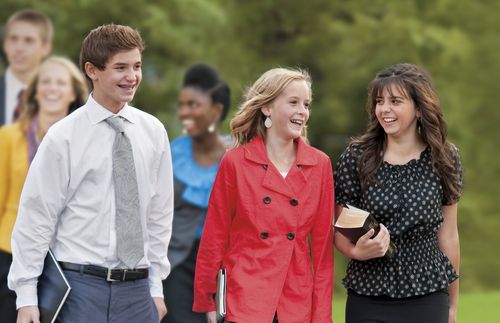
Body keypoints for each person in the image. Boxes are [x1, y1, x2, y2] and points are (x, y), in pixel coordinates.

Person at [8, 24, 174, 323]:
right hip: (78, 290)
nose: (132, 76)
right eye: (120, 67)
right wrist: (26, 296)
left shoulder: (154, 132)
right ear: (92, 70)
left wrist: (156, 287)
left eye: (137, 66)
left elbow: (159, 215)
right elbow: (36, 218)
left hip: (138, 293)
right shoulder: (64, 137)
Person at [193, 67, 335, 323]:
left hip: (296, 300)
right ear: (267, 108)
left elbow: (323, 251)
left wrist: (322, 315)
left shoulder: (320, 165)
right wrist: (207, 298)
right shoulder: (235, 162)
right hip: (244, 296)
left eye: (306, 104)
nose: (302, 111)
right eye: (293, 102)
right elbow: (215, 235)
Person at [334, 63, 463, 323]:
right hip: (368, 295)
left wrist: (452, 305)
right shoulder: (356, 158)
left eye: (395, 101)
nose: (384, 109)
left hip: (428, 293)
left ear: (418, 108)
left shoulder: (444, 158)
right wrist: (358, 252)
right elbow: (339, 231)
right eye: (379, 101)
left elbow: (448, 234)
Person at [0, 55, 86, 323]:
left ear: (73, 92)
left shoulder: (85, 140)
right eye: (46, 82)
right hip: (11, 256)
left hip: (67, 261)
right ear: (35, 90)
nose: (52, 88)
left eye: (61, 83)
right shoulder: (7, 138)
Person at [161, 63, 231, 323]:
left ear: (216, 110)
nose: (184, 113)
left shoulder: (236, 156)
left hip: (224, 266)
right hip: (178, 263)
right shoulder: (171, 153)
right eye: (182, 105)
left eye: (193, 105)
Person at [1, 9, 53, 126]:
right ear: (5, 44)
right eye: (13, 39)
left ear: (46, 47)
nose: (19, 48)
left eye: (28, 40)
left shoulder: (60, 97)